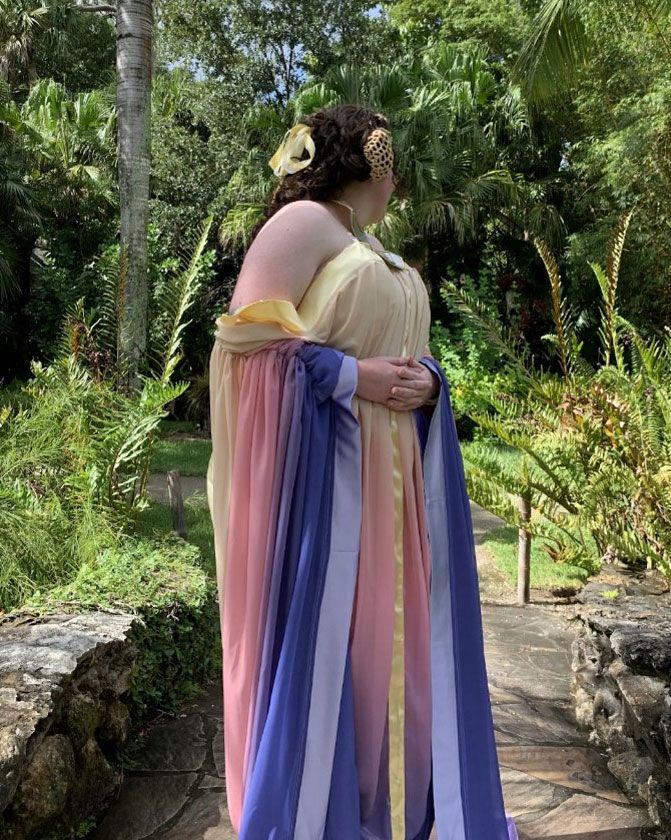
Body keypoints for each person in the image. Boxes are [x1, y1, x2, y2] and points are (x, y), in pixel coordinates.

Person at [207, 104, 519, 840]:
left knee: (399, 656)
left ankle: (399, 816)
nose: (398, 173)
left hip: (401, 485)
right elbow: (245, 346)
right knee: (346, 650)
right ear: (368, 159)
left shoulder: (368, 241)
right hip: (335, 485)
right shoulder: (304, 224)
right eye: (389, 155)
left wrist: (429, 384)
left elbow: (395, 352)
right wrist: (351, 379)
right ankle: (331, 818)